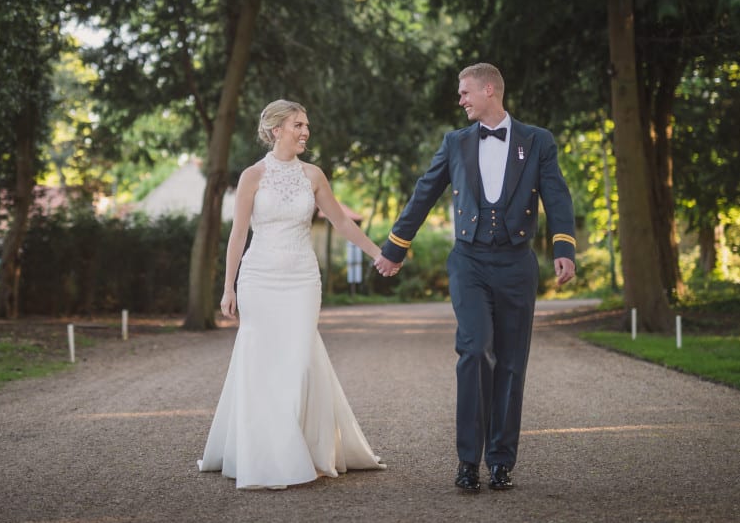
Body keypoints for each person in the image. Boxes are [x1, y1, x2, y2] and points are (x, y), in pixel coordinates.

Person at [374, 63, 576, 492]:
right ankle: (468, 460)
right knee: (474, 350)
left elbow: (556, 194)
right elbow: (424, 192)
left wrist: (564, 248)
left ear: (489, 90)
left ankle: (501, 461)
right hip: (469, 262)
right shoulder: (456, 142)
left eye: (465, 92)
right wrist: (395, 248)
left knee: (512, 362)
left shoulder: (537, 141)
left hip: (517, 264)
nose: (460, 99)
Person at [197, 99, 387, 490]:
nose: (305, 132)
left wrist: (378, 253)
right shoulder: (252, 176)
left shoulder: (313, 175)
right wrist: (228, 286)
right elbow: (238, 235)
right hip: (259, 279)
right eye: (298, 125)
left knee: (299, 363)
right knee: (262, 364)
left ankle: (308, 449)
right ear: (276, 130)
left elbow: (340, 221)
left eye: (306, 125)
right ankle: (268, 456)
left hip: (301, 279)